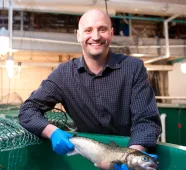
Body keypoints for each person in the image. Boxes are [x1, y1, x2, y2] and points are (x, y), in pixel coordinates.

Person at [18, 9, 162, 170]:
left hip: (130, 152)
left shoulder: (133, 68)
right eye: (88, 30)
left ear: (111, 33)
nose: (96, 36)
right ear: (78, 35)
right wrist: (52, 132)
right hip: (89, 158)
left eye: (102, 29)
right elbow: (27, 110)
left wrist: (133, 158)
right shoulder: (63, 74)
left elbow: (146, 119)